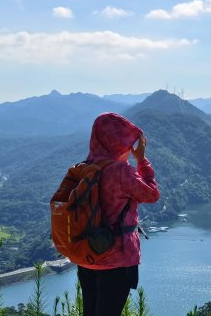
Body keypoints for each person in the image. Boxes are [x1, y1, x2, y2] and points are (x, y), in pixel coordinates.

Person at [77, 112, 160, 316]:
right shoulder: (120, 171)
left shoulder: (84, 168)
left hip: (87, 255)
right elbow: (151, 194)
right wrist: (141, 160)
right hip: (116, 258)